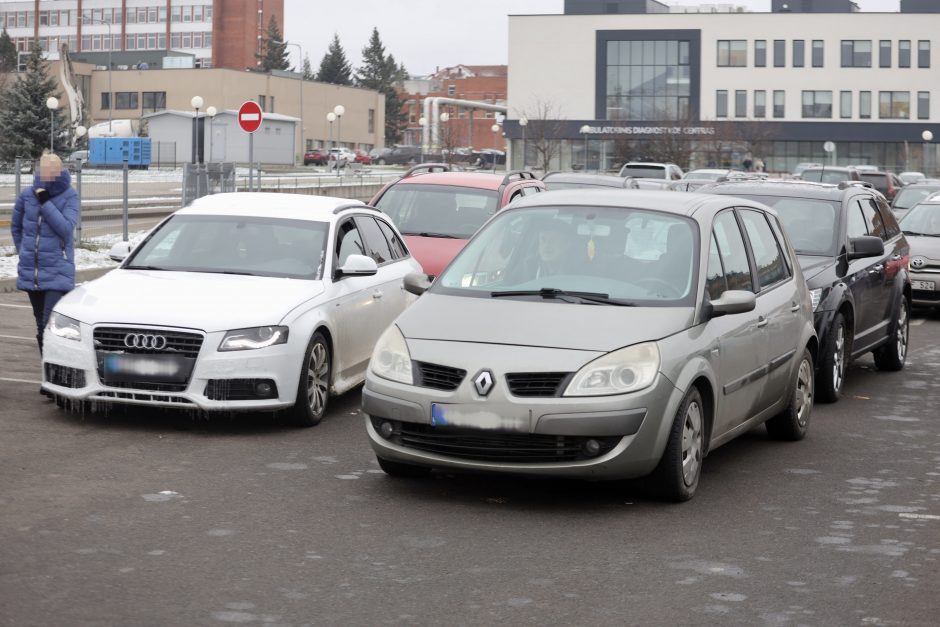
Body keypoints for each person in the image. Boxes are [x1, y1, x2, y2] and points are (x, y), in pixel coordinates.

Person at [11, 152, 80, 357]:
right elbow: (16, 227)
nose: (47, 173)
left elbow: (66, 229)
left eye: (52, 169)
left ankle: (57, 374)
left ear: (60, 170)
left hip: (58, 269)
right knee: (40, 324)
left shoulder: (70, 195)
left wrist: (45, 202)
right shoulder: (26, 195)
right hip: (32, 271)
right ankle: (49, 372)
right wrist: (24, 250)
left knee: (49, 324)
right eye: (43, 168)